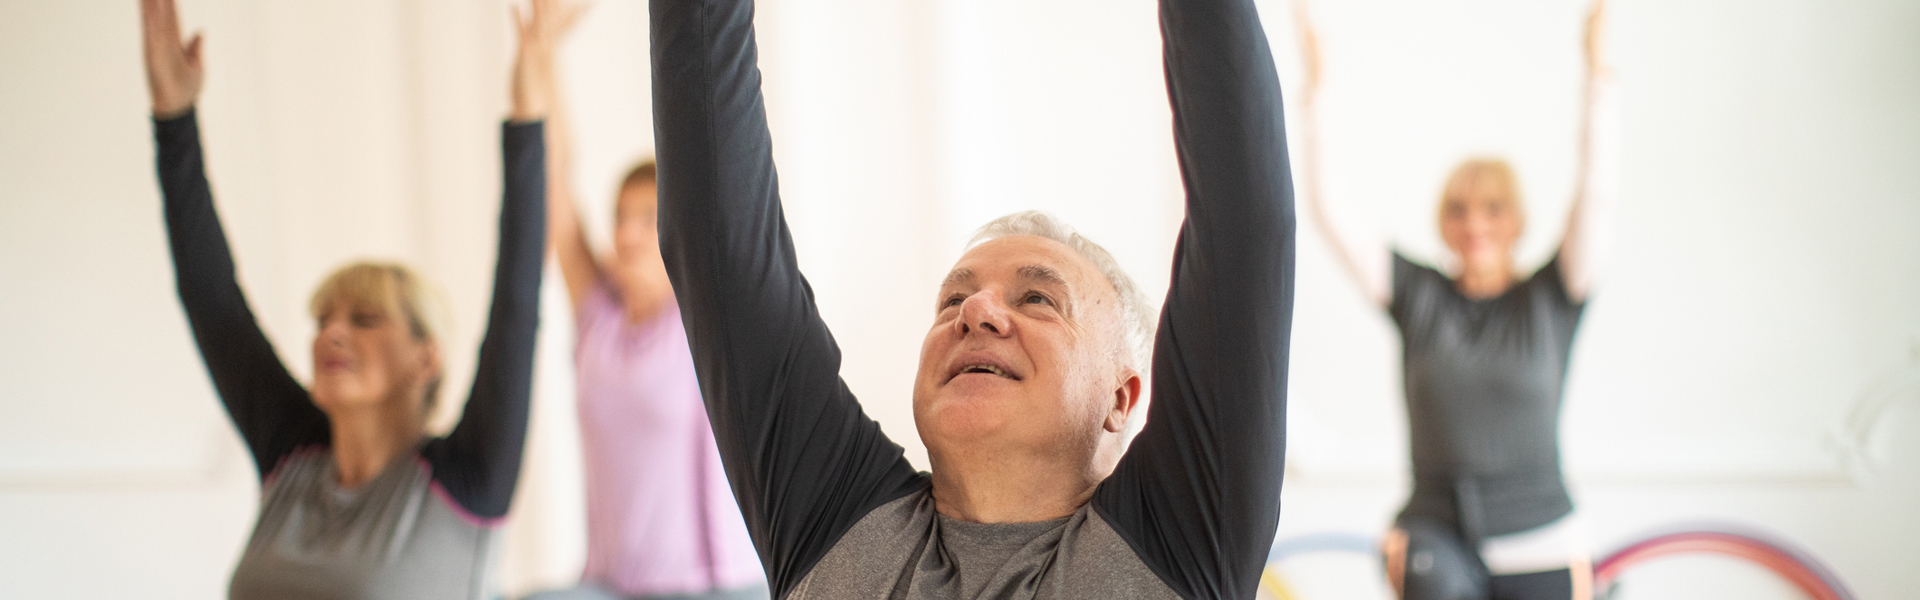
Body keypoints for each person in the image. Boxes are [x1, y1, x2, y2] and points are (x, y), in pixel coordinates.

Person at [649, 0, 1296, 596]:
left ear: (1120, 400)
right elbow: (719, 241)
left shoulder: (1180, 539)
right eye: (952, 299)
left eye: (1039, 299)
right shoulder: (831, 519)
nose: (976, 312)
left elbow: (1246, 227)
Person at [140, 0, 554, 597]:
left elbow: (517, 301)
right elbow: (211, 297)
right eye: (322, 318)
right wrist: (173, 114)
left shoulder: (466, 476)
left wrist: (527, 118)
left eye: (364, 319)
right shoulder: (292, 455)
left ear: (424, 359)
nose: (331, 333)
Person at [1293, 1, 1619, 598]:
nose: (1477, 224)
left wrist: (1599, 77)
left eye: (1493, 208)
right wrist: (1319, 87)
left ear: (1518, 221)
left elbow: (1595, 196)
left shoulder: (1554, 295)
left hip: (1542, 532)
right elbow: (1330, 210)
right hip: (1436, 529)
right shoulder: (1418, 295)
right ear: (1443, 223)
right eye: (1459, 209)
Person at [522, 3, 766, 597]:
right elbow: (552, 182)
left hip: (715, 586)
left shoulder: (702, 323)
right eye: (620, 218)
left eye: (647, 218)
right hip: (608, 584)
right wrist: (540, 50)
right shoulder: (597, 318)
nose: (629, 234)